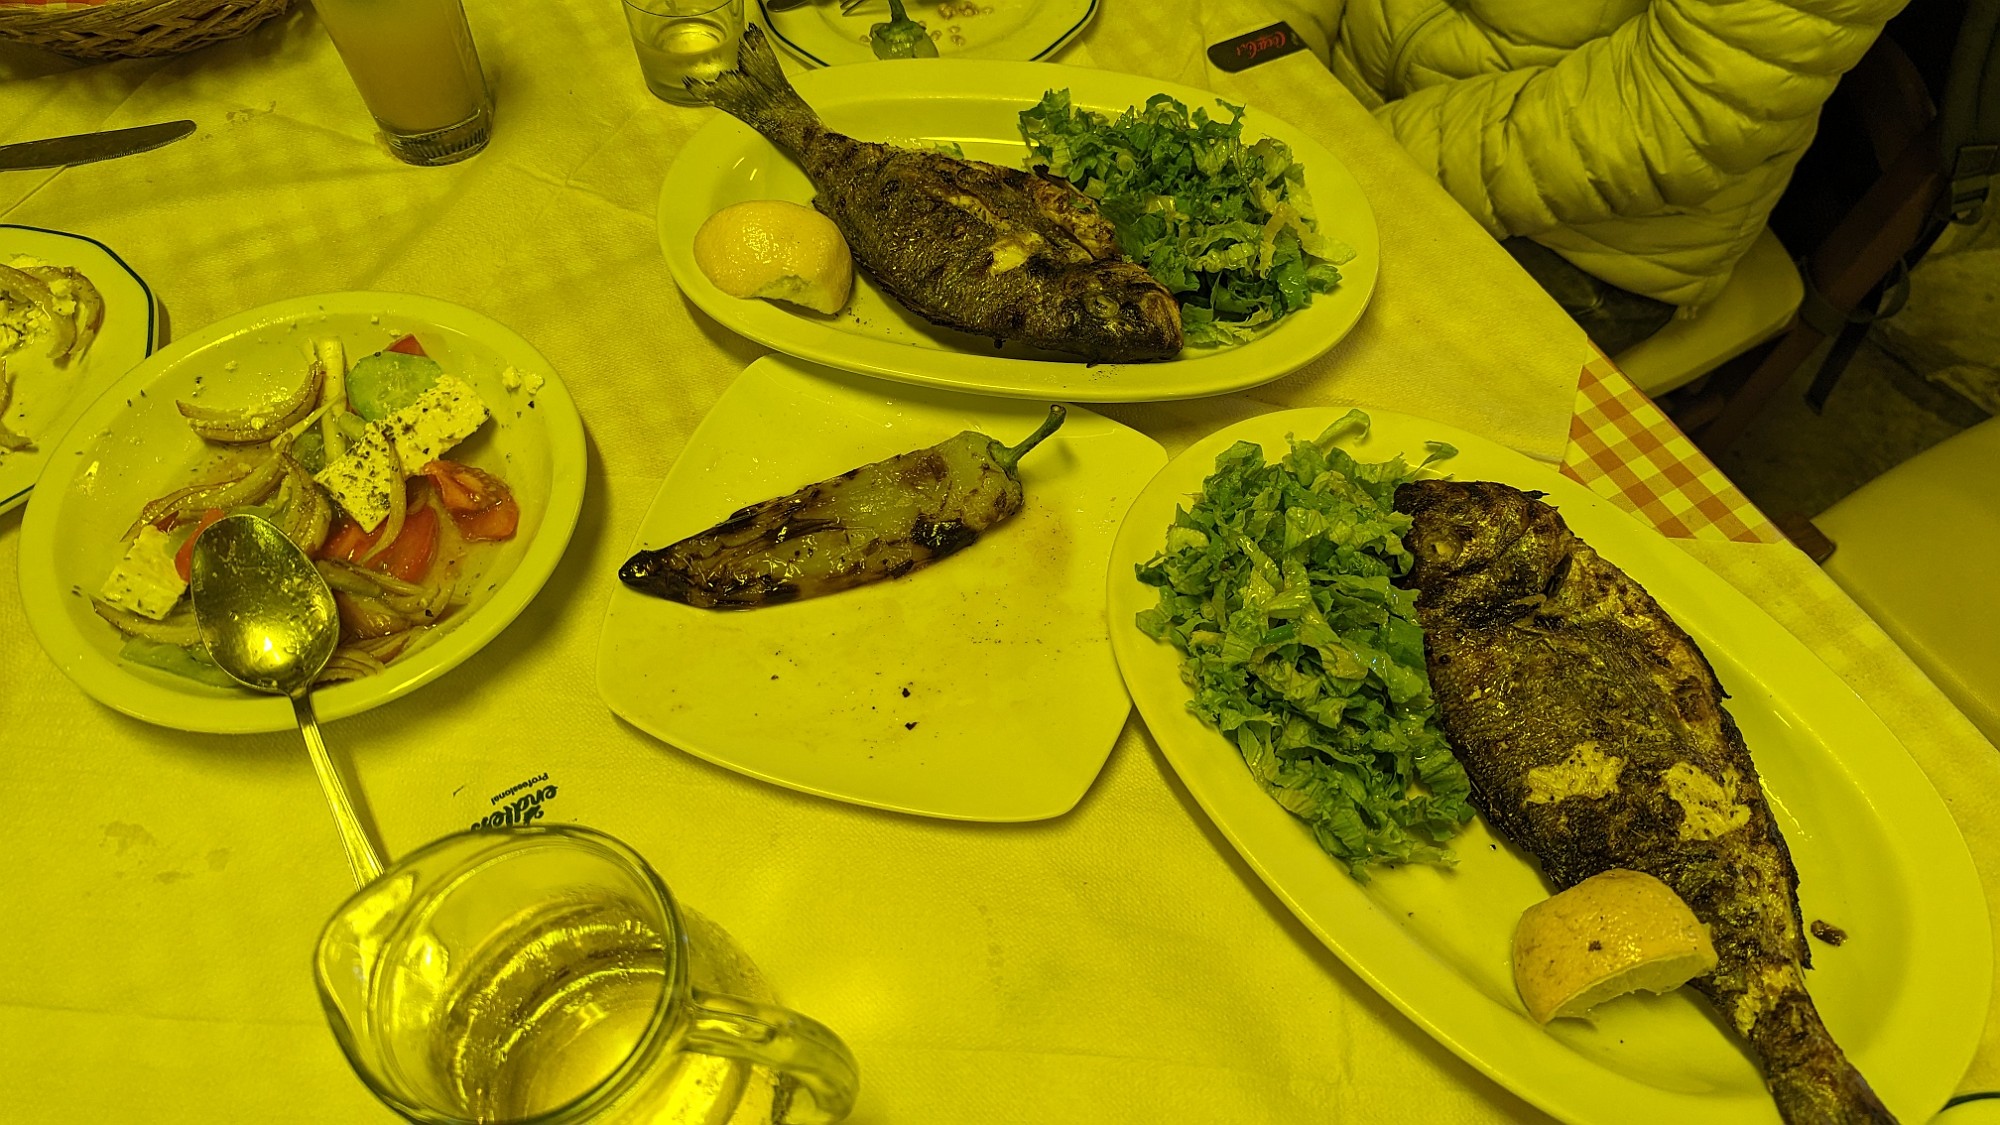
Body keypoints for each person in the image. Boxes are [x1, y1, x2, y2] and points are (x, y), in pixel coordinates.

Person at [1272, 0, 1912, 354]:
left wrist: (1351, 162)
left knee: (1287, 364)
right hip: (1356, 118)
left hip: (1582, 237)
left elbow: (1670, 116)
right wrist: (1267, 57)